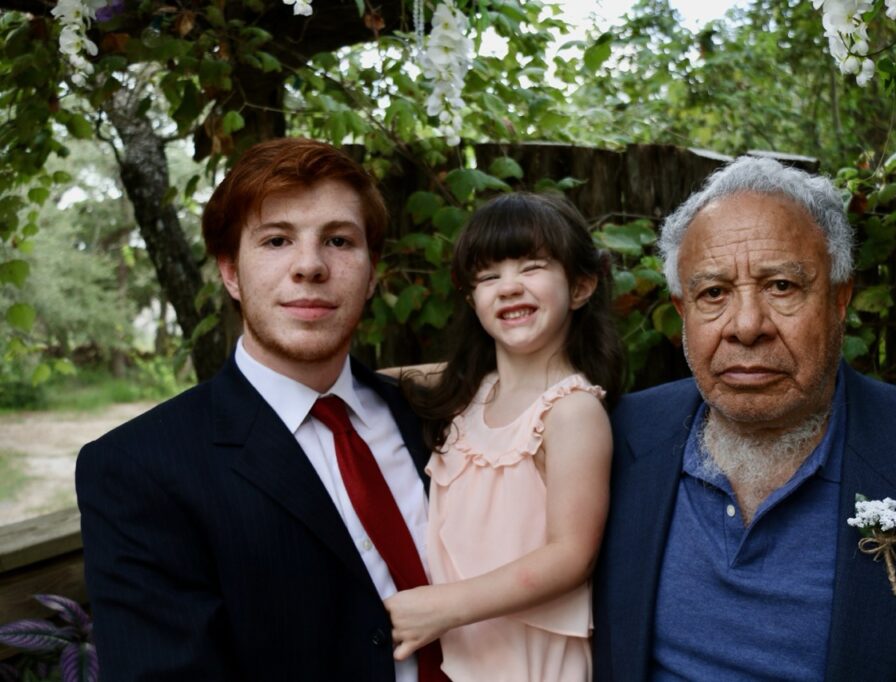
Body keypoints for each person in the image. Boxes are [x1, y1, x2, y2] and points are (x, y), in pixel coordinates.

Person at [592, 156, 896, 681]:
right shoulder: (614, 437)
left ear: (840, 300)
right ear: (683, 312)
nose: (746, 326)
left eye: (781, 287)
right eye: (714, 293)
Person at [76, 138, 447, 681]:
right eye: (276, 240)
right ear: (231, 273)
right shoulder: (139, 469)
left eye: (339, 240)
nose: (310, 266)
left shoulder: (432, 417)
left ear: (371, 274)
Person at [382, 192, 625, 681]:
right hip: (457, 658)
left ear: (580, 286)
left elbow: (571, 556)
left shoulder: (571, 411)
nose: (508, 287)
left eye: (532, 267)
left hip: (529, 662)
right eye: (488, 277)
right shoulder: (468, 391)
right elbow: (366, 384)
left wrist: (445, 607)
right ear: (472, 298)